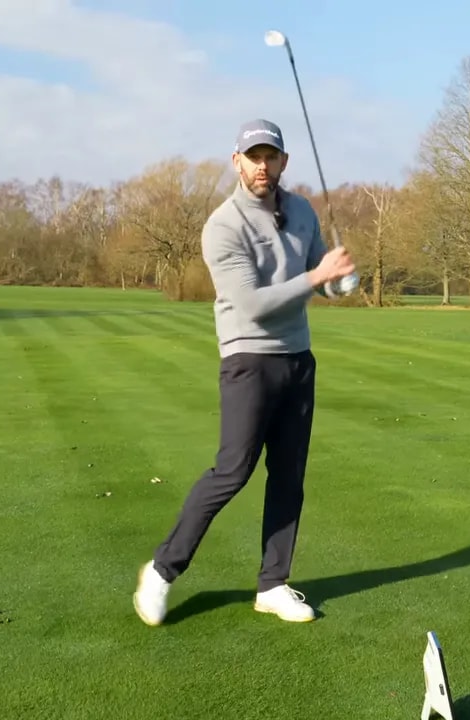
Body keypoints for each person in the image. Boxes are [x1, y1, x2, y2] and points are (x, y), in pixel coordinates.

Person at [132, 118, 356, 626]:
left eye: (270, 156)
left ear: (283, 162)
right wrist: (316, 277)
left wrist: (336, 281)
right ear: (236, 162)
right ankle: (163, 570)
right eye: (252, 156)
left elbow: (318, 277)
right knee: (232, 470)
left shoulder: (301, 211)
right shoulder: (223, 225)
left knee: (289, 476)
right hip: (248, 360)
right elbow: (252, 304)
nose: (261, 165)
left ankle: (273, 584)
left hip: (298, 360)